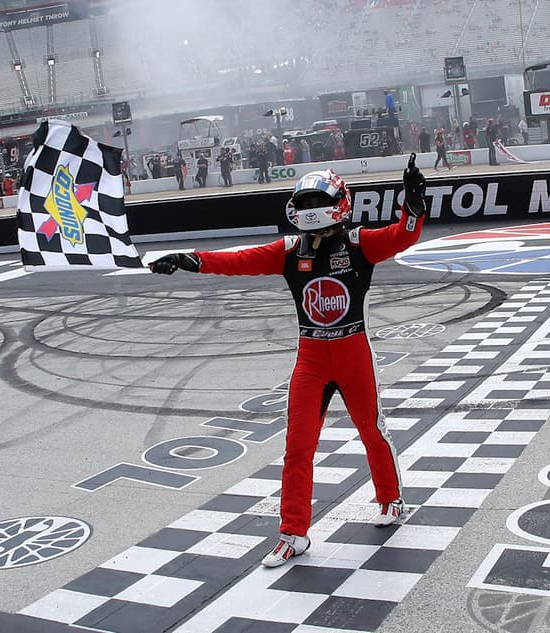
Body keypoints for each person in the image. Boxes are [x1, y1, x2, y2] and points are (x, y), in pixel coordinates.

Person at [149, 155, 429, 567]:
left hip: (353, 353)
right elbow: (239, 260)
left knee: (371, 430)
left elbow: (403, 236)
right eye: (306, 201)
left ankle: (391, 499)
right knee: (297, 447)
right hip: (312, 358)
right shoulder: (289, 250)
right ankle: (293, 533)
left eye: (318, 200)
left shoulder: (359, 244)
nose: (311, 210)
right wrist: (191, 259)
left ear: (338, 203)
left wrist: (414, 205)